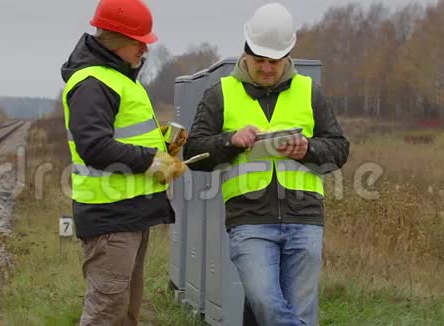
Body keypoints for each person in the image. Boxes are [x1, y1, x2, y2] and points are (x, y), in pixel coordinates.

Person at [183, 3, 349, 326]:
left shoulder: (310, 93)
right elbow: (194, 153)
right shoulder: (220, 95)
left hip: (305, 218)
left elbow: (339, 149)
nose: (267, 68)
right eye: (259, 60)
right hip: (249, 220)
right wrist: (229, 141)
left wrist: (308, 149)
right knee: (265, 302)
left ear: (288, 55)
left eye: (274, 61)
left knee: (297, 311)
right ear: (246, 52)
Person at [60, 0, 187, 325]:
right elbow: (94, 146)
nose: (144, 49)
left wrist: (160, 143)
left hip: (128, 214)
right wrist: (151, 159)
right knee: (105, 315)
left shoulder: (117, 79)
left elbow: (118, 137)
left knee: (125, 313)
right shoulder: (93, 82)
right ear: (117, 40)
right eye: (139, 41)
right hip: (110, 219)